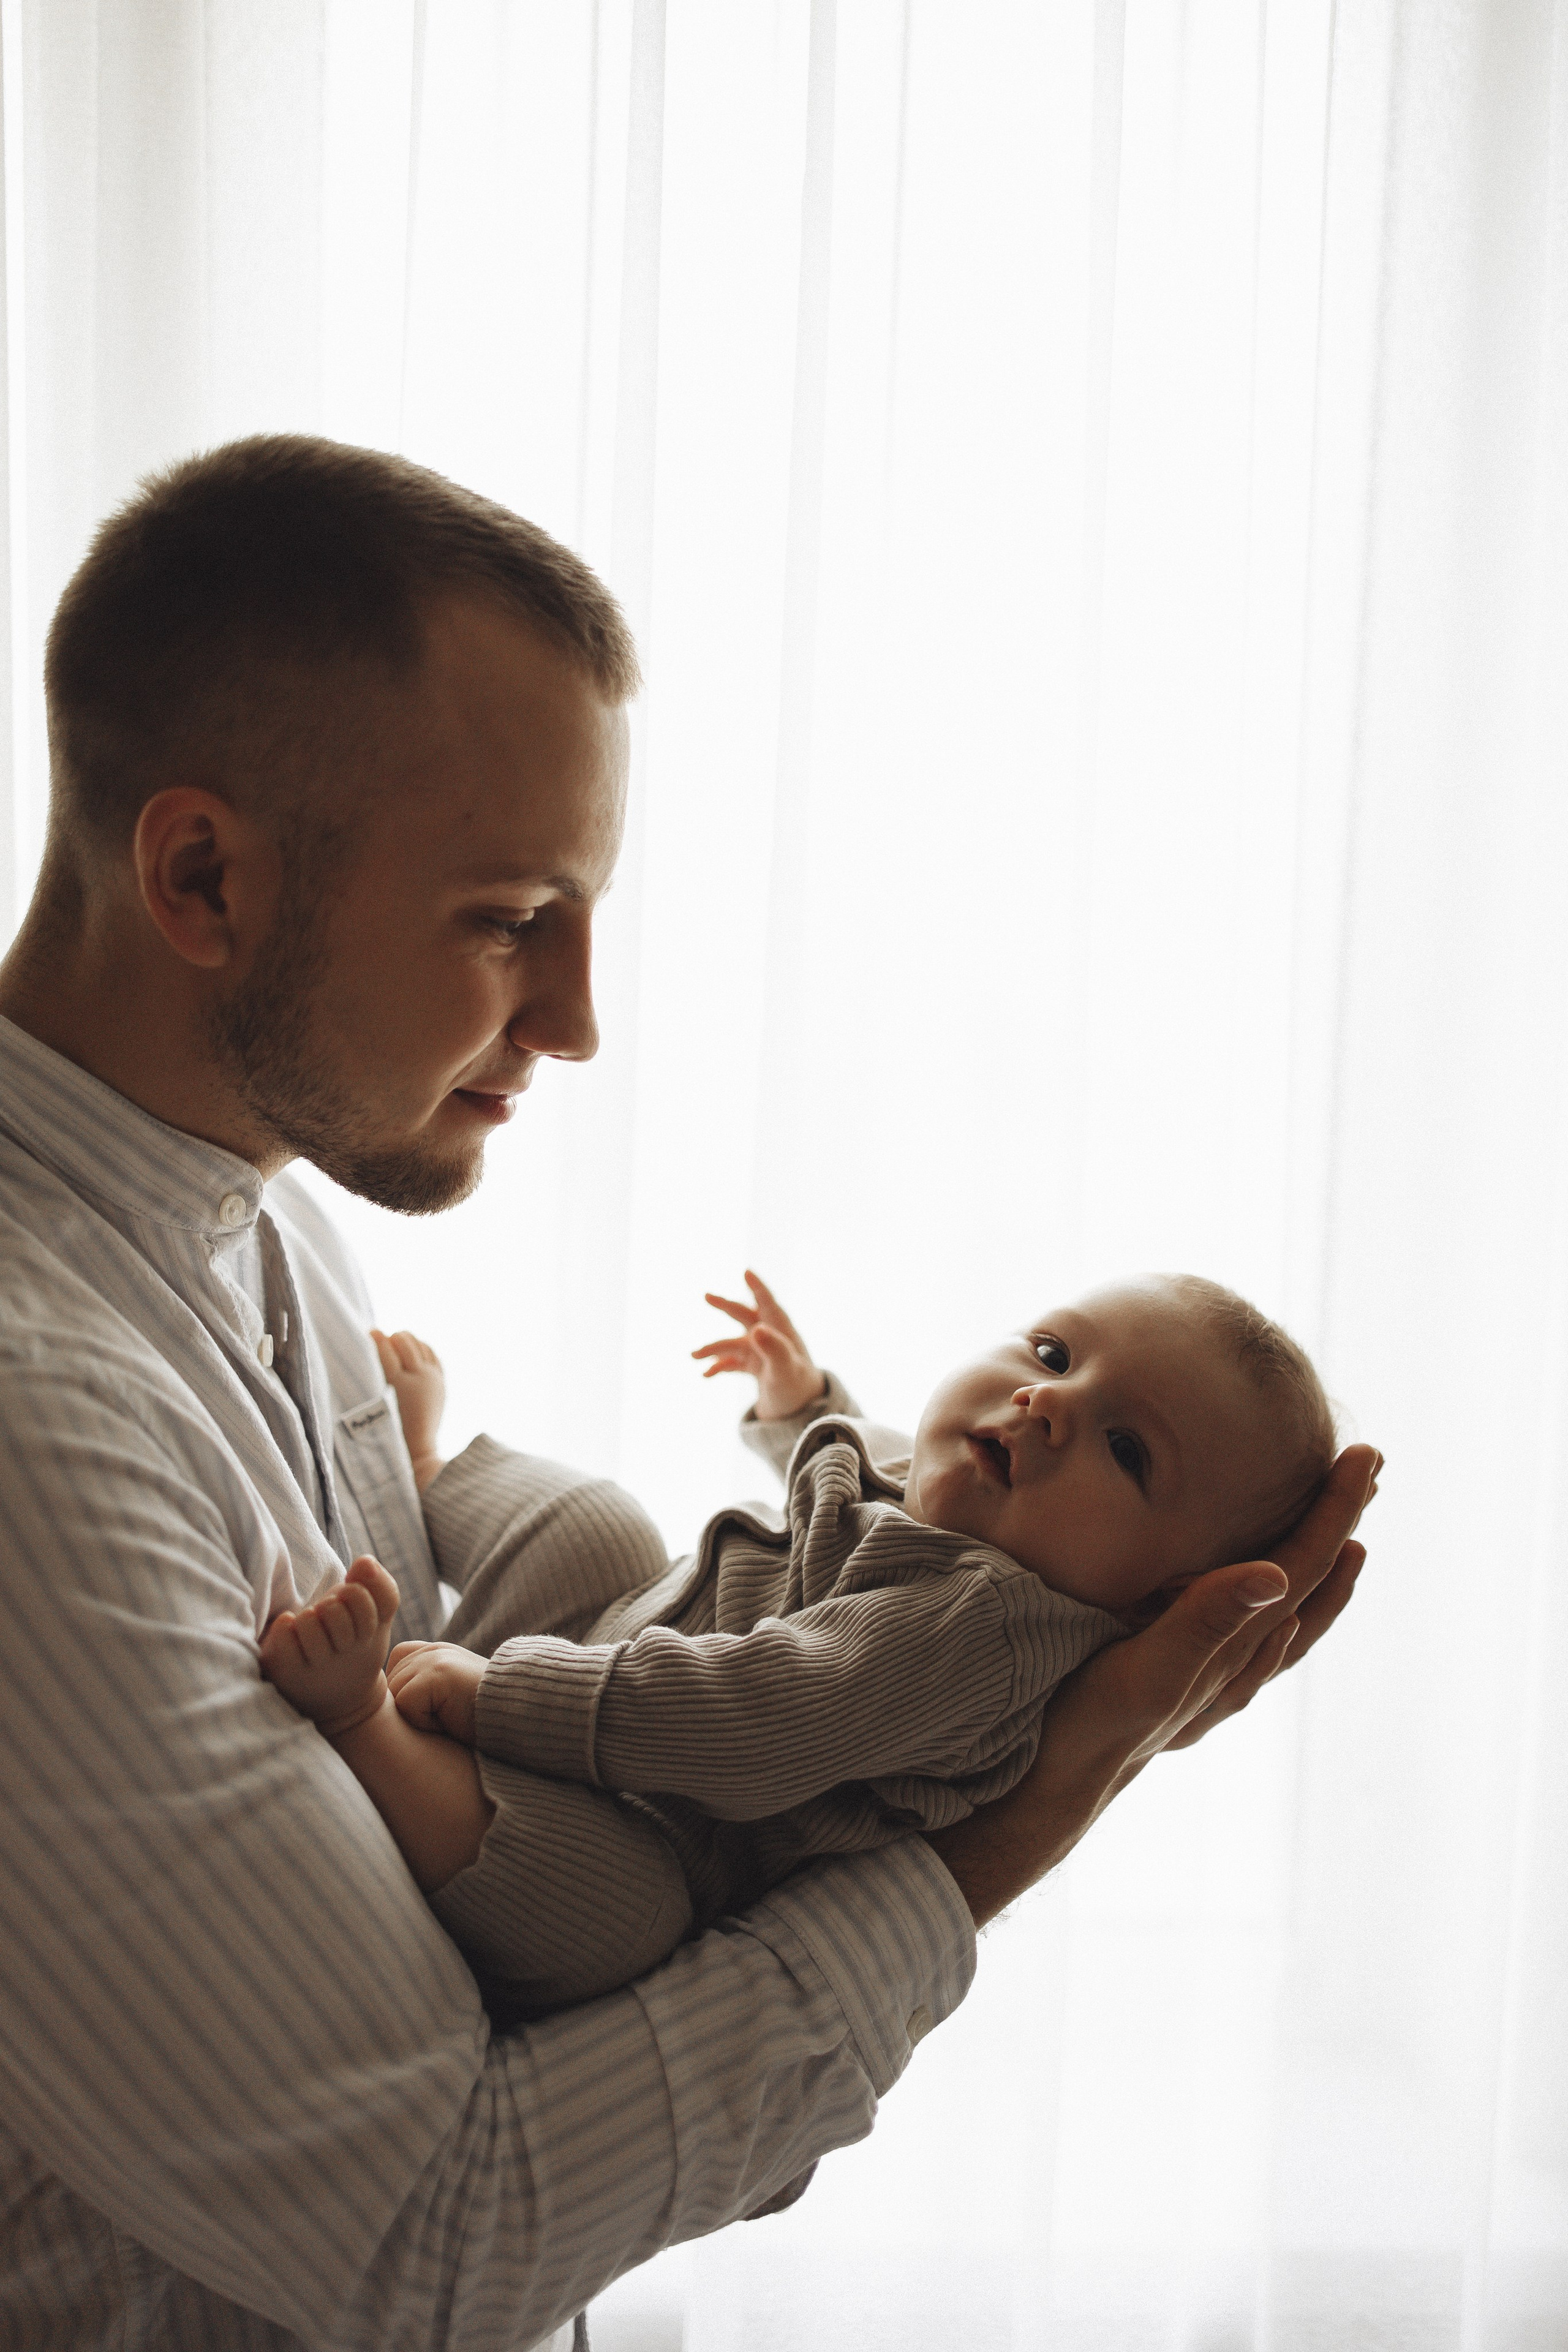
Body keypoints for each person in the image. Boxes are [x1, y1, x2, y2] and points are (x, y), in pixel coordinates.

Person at [0, 434, 1378, 2351]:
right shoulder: (30, 1428)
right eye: (511, 918)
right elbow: (435, 2236)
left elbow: (472, 1969)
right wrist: (1017, 1820)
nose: (572, 1019)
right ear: (206, 876)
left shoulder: (262, 1218)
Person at [258, 1269, 1338, 2015]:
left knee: (606, 1917)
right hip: (618, 1665)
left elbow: (754, 1718)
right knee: (602, 1526)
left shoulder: (980, 1638)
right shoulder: (968, 1505)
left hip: (647, 1823)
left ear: (1160, 1600)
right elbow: (863, 1467)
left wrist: (503, 1698)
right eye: (1055, 1351)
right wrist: (803, 1403)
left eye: (1128, 1449)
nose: (1046, 1402)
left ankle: (366, 1725)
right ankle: (432, 1469)